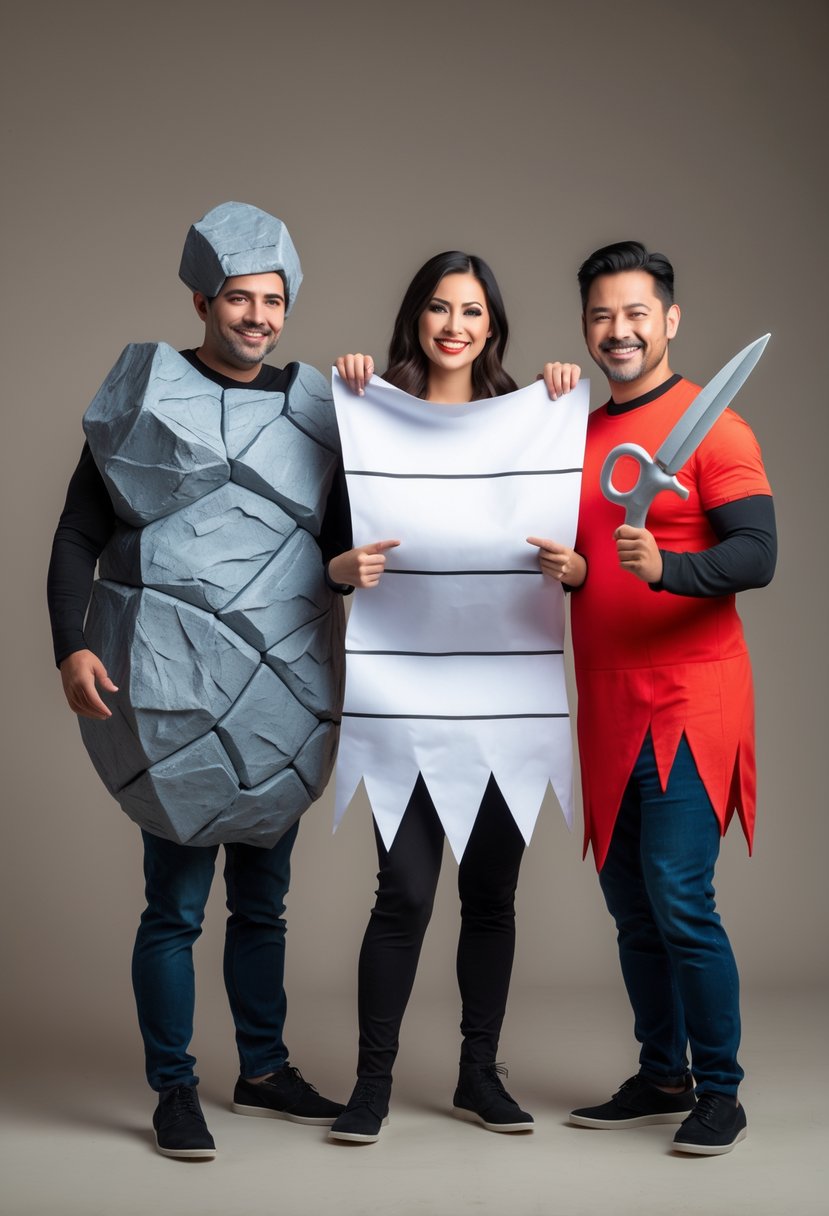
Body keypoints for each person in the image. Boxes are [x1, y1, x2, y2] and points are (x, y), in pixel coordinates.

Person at [47, 202, 351, 1159]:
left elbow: (345, 540)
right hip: (171, 692)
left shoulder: (316, 410)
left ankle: (261, 1069)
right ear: (201, 298)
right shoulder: (148, 396)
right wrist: (70, 643)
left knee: (264, 901)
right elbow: (76, 536)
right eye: (239, 299)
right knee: (174, 907)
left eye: (272, 300)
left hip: (285, 695)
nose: (258, 317)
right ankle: (173, 1089)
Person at [325, 251, 580, 1144]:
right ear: (416, 317)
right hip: (403, 692)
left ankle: (479, 1074)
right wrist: (338, 567)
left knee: (492, 897)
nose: (454, 325)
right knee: (402, 896)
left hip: (505, 693)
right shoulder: (368, 417)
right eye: (438, 307)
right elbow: (328, 547)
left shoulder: (534, 421)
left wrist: (559, 395)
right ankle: (372, 1084)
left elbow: (572, 552)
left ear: (492, 327)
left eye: (472, 311)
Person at [534, 240, 776, 1156]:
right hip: (604, 698)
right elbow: (587, 560)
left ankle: (721, 1090)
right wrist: (578, 571)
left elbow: (757, 553)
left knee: (678, 893)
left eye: (636, 312)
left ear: (668, 319)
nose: (617, 330)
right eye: (601, 314)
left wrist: (668, 566)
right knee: (629, 901)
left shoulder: (718, 429)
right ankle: (661, 1071)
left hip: (690, 697)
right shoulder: (577, 437)